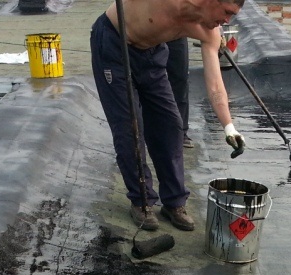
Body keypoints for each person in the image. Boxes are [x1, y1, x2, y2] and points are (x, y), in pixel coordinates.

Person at [90, 0, 247, 233]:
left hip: (152, 53)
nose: (227, 20)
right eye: (226, 12)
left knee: (171, 126)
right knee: (130, 129)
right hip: (114, 44)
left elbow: (215, 85)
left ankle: (174, 202)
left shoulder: (209, 32)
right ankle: (142, 201)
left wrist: (229, 127)